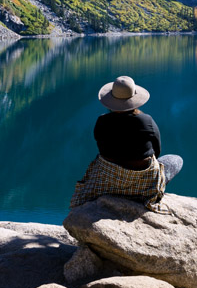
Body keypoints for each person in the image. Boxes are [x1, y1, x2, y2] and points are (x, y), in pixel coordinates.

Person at [69, 75, 183, 212]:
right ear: (134, 99)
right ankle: (144, 190)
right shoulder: (146, 121)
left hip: (108, 182)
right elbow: (157, 150)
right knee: (176, 160)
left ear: (111, 101)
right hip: (143, 183)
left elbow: (101, 148)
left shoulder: (102, 122)